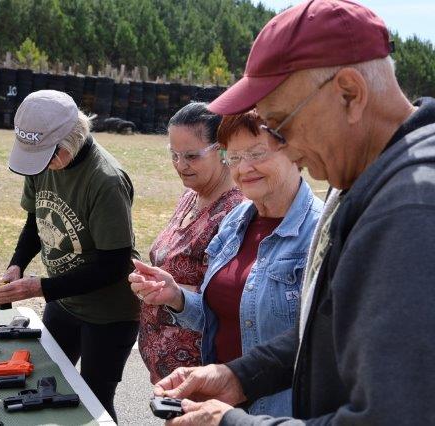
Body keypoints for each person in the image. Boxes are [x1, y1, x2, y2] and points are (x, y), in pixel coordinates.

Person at [153, 1, 435, 425]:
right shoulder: (373, 178)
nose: (288, 149)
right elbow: (327, 330)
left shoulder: (409, 208)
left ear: (350, 94)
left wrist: (232, 422)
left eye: (281, 125)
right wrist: (239, 376)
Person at [132, 110, 322, 417]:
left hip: (278, 412)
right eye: (233, 157)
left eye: (257, 153)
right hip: (221, 403)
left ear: (295, 152)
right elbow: (222, 316)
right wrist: (176, 297)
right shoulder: (236, 222)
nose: (244, 168)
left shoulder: (319, 233)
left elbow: (322, 343)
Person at [0, 90, 139, 423]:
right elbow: (36, 218)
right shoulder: (43, 161)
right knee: (40, 378)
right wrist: (17, 265)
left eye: (47, 155)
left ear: (70, 140)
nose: (41, 165)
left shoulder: (106, 180)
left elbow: (115, 266)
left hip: (109, 313)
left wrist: (38, 288)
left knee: (94, 398)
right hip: (63, 298)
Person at [138, 102, 245, 384]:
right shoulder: (191, 195)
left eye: (191, 156)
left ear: (222, 150)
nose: (180, 165)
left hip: (201, 373)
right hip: (169, 372)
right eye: (174, 154)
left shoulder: (235, 212)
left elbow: (229, 299)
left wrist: (172, 291)